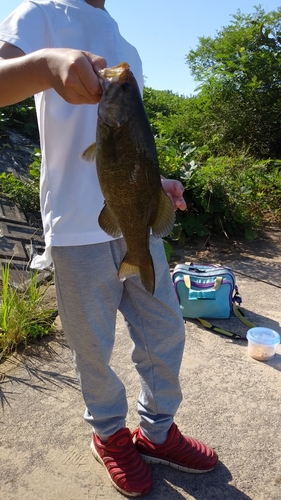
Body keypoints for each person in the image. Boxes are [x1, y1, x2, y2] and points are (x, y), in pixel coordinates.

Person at [0, 1, 218, 496]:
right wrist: (42, 65)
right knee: (92, 348)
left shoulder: (127, 47)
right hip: (76, 231)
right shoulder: (39, 14)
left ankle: (157, 431)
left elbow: (132, 143)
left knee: (165, 331)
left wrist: (155, 182)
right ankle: (110, 435)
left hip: (133, 220)